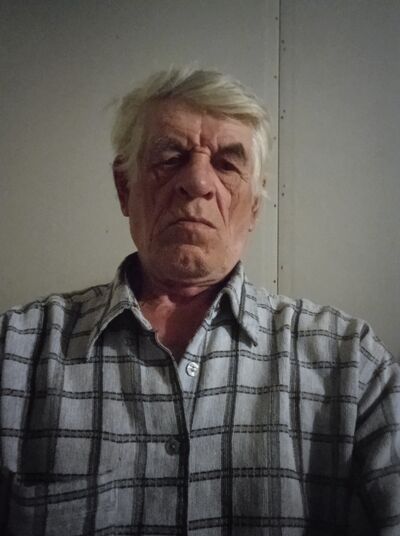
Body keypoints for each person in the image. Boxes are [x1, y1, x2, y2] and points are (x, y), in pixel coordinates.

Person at [0, 67, 399, 536]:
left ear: (254, 207)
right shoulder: (15, 354)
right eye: (170, 158)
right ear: (124, 188)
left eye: (227, 165)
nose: (197, 182)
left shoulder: (350, 364)